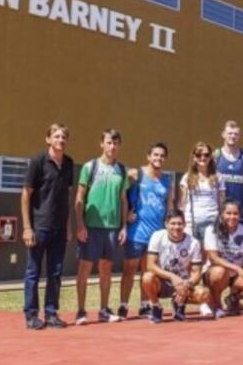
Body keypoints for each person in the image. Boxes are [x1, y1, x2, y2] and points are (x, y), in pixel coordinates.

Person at [20, 123, 74, 330]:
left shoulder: (68, 164)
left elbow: (67, 196)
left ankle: (51, 313)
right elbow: (26, 194)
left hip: (59, 229)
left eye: (64, 137)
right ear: (48, 139)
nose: (61, 140)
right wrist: (27, 228)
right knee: (33, 272)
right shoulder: (38, 162)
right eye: (57, 136)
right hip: (39, 227)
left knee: (55, 274)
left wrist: (68, 227)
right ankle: (31, 315)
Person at [74, 129, 129, 325]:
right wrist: (80, 225)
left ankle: (104, 310)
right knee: (85, 269)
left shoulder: (121, 170)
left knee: (106, 269)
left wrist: (123, 227)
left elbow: (123, 200)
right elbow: (79, 197)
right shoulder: (90, 167)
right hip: (91, 227)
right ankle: (81, 311)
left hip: (112, 228)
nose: (112, 147)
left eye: (115, 143)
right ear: (102, 144)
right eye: (109, 142)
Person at [119, 142, 175, 320]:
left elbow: (169, 206)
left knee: (148, 271)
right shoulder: (136, 174)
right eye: (155, 155)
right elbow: (121, 194)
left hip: (156, 234)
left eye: (162, 156)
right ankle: (123, 305)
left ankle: (144, 305)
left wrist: (170, 227)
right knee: (129, 270)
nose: (158, 158)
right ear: (148, 156)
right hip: (136, 231)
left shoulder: (167, 181)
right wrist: (127, 213)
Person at [143, 209, 210, 323]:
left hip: (183, 283)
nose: (176, 227)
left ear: (184, 224)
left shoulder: (193, 243)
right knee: (147, 277)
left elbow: (196, 272)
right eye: (173, 223)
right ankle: (156, 306)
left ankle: (180, 303)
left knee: (203, 294)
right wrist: (172, 277)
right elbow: (150, 265)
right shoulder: (157, 236)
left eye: (179, 223)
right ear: (166, 224)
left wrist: (187, 284)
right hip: (162, 281)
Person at [204, 200, 243, 318]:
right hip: (217, 272)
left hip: (237, 274)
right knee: (219, 272)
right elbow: (214, 258)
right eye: (228, 213)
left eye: (235, 214)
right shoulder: (211, 230)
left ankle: (233, 297)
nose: (232, 217)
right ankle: (216, 304)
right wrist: (237, 268)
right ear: (221, 214)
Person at [179, 141, 226, 244]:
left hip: (212, 221)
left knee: (210, 251)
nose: (202, 158)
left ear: (210, 157)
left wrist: (222, 219)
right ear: (194, 157)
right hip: (191, 222)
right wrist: (181, 220)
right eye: (198, 155)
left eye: (206, 155)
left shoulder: (218, 177)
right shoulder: (187, 177)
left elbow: (222, 202)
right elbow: (182, 203)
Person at [214, 121, 243, 226]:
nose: (232, 136)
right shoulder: (216, 156)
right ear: (223, 134)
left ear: (239, 136)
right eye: (230, 133)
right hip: (220, 213)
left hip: (240, 214)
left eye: (235, 134)